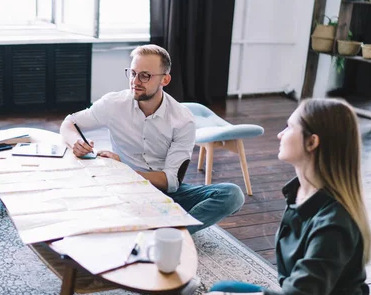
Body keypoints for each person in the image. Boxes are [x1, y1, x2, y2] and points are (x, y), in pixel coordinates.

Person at [165, 98, 371, 295]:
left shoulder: (335, 222)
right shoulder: (299, 193)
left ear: (312, 142)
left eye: (289, 127)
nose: (280, 133)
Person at [60, 44, 244, 233]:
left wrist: (125, 170)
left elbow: (172, 181)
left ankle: (168, 234)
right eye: (132, 73)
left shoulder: (182, 119)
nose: (135, 81)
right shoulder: (113, 104)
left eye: (145, 76)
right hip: (123, 191)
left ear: (165, 79)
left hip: (162, 193)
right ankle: (162, 229)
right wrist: (77, 143)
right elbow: (70, 122)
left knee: (232, 195)